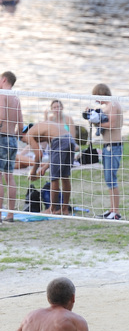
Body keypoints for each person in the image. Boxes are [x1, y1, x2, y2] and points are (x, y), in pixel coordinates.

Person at [22, 122, 77, 215]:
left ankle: (52, 209)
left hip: (60, 141)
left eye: (23, 141)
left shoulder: (28, 134)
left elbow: (39, 155)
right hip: (70, 139)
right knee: (65, 176)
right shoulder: (44, 129)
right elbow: (54, 153)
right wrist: (45, 167)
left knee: (54, 178)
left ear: (23, 134)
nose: (26, 142)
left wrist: (33, 172)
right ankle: (65, 209)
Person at [89, 84, 124, 219]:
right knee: (108, 178)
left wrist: (96, 122)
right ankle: (111, 210)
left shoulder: (113, 104)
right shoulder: (107, 107)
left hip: (114, 146)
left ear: (100, 93)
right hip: (107, 146)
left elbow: (112, 124)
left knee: (111, 178)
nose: (96, 100)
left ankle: (116, 212)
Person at [0, 71, 22, 222]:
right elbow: (20, 125)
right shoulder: (16, 98)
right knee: (9, 177)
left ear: (4, 79)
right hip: (12, 139)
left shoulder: (2, 94)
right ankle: (10, 215)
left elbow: (0, 115)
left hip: (1, 138)